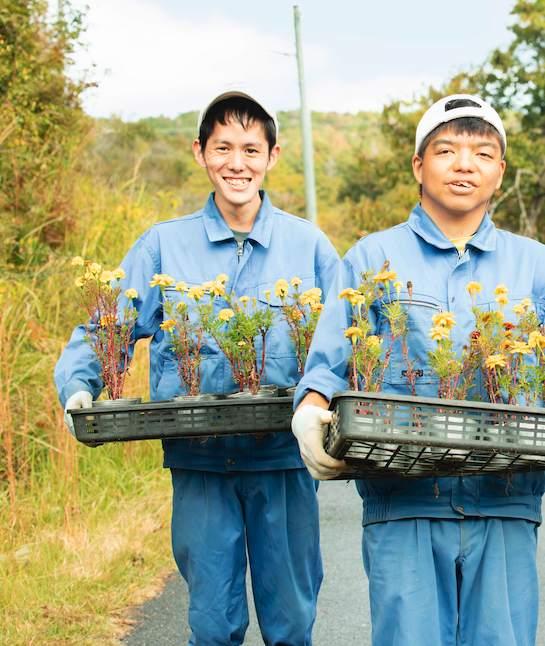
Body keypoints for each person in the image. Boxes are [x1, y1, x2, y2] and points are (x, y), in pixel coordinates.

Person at [291, 94, 545, 646]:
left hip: (505, 499)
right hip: (402, 503)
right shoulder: (371, 258)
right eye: (446, 150)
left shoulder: (538, 265)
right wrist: (309, 415)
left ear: (500, 171)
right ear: (418, 167)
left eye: (482, 152)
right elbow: (330, 361)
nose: (464, 164)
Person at [54, 83, 341, 646]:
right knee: (212, 624)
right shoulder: (163, 246)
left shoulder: (308, 246)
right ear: (200, 152)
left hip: (283, 463)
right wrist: (79, 385)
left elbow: (344, 342)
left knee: (292, 624)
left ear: (272, 157)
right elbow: (110, 326)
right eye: (223, 148)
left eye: (251, 150)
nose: (237, 163)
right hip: (200, 461)